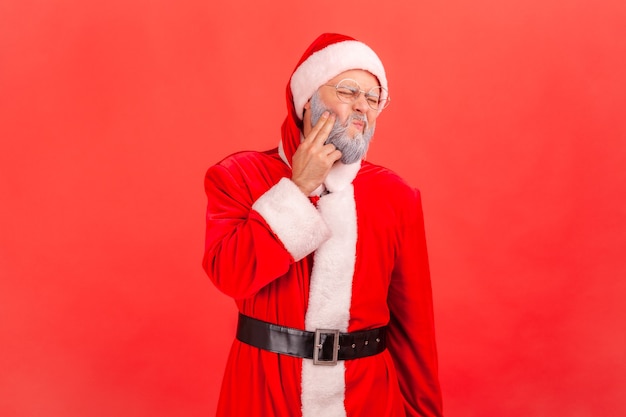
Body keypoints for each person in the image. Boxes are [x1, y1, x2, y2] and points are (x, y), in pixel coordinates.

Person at [202, 33, 443, 417]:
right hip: (264, 391)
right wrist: (298, 189)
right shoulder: (240, 176)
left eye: (373, 97)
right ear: (307, 101)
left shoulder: (396, 196)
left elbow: (415, 331)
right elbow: (231, 275)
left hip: (368, 397)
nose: (362, 107)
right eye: (348, 91)